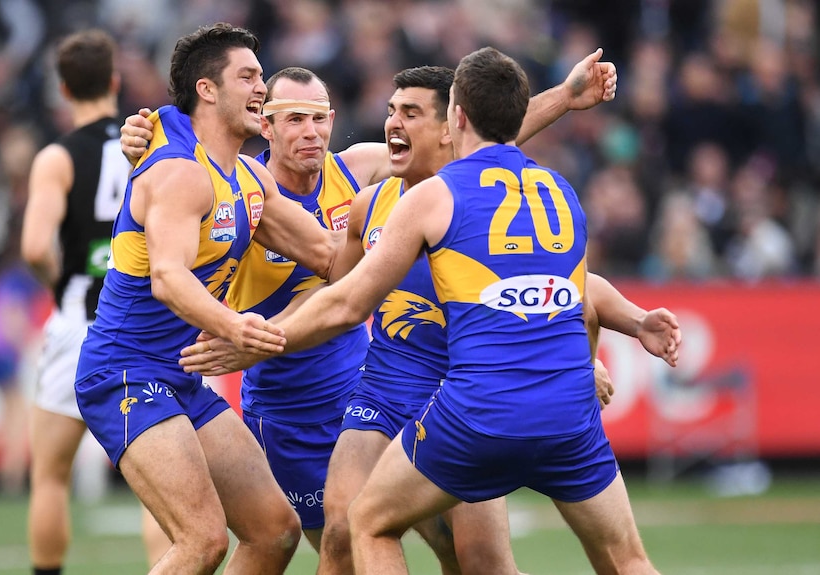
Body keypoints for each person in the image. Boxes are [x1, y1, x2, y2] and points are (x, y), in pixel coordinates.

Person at [120, 48, 621, 570]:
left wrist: (564, 97)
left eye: (319, 118)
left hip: (369, 387)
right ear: (264, 123)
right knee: (325, 540)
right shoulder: (241, 187)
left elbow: (468, 148)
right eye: (293, 119)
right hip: (288, 405)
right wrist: (147, 144)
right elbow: (183, 181)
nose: (310, 131)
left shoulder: (360, 172)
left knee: (465, 550)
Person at [73, 22, 347, 575]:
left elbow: (332, 255)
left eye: (261, 77)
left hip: (179, 377)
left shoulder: (248, 177)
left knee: (275, 532)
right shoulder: (178, 172)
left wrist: (410, 230)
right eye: (247, 76)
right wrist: (236, 327)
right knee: (201, 542)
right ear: (206, 89)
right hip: (124, 374)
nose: (261, 89)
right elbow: (168, 280)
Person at [20, 29, 132, 575]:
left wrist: (58, 280)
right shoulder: (153, 147)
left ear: (64, 89)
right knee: (166, 486)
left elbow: (35, 246)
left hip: (79, 324)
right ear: (115, 81)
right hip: (146, 329)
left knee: (50, 474)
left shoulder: (58, 157)